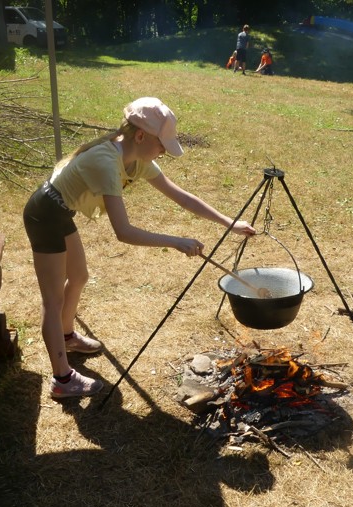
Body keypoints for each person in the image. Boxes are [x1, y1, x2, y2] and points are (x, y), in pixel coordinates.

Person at [23, 97, 257, 399]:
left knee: (79, 276)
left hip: (60, 211)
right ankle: (62, 380)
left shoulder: (138, 161)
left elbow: (181, 196)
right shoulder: (107, 161)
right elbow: (124, 232)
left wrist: (229, 222)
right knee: (52, 301)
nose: (163, 151)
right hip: (45, 213)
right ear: (141, 135)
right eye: (162, 144)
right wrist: (175, 241)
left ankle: (66, 336)